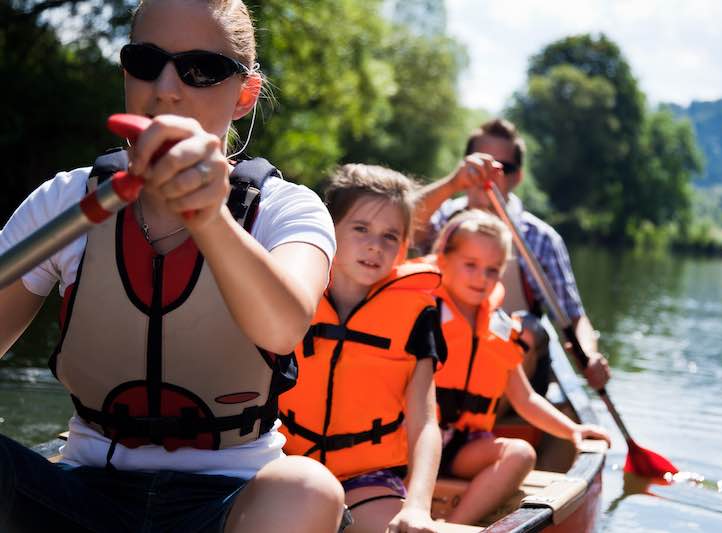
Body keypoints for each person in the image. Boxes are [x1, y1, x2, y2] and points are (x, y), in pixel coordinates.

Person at [0, 1, 345, 531]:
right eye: (145, 60)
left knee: (308, 487)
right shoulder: (63, 203)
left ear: (244, 95)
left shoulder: (289, 209)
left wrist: (209, 216)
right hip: (82, 495)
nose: (164, 88)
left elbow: (283, 326)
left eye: (200, 69)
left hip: (230, 500)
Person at [279, 164, 445, 533]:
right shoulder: (292, 291)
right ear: (329, 228)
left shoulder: (416, 315)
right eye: (361, 229)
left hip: (367, 479)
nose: (375, 245)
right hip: (287, 464)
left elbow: (425, 421)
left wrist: (418, 507)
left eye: (390, 236)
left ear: (404, 246)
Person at [428, 210, 610, 525]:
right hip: (411, 439)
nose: (481, 278)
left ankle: (455, 526)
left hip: (461, 447)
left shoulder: (497, 327)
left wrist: (573, 430)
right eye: (470, 265)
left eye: (492, 270)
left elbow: (525, 399)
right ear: (443, 259)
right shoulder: (422, 315)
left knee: (522, 454)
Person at [413, 118, 610, 395]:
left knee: (528, 330)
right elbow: (400, 223)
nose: (487, 175)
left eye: (502, 168)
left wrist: (589, 356)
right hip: (441, 357)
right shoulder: (440, 216)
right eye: (479, 163)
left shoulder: (541, 239)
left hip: (508, 374)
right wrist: (451, 184)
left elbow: (574, 317)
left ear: (517, 176)